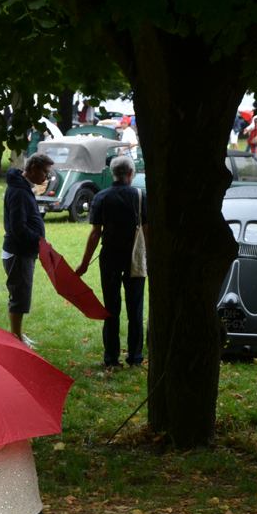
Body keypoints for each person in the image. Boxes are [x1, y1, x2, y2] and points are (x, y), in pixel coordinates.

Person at [74, 155, 148, 368]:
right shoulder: (141, 196)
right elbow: (146, 230)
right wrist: (148, 259)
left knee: (111, 308)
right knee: (135, 309)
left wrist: (84, 263)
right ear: (131, 174)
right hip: (135, 259)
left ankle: (111, 359)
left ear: (113, 173)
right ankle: (135, 358)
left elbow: (95, 234)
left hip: (110, 259)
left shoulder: (101, 197)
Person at [2, 152, 53, 346]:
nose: (46, 177)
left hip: (24, 251)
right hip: (19, 252)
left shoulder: (23, 188)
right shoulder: (19, 191)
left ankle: (19, 335)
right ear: (33, 168)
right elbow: (17, 227)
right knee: (19, 295)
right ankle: (16, 338)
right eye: (45, 172)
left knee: (22, 294)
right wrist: (39, 241)